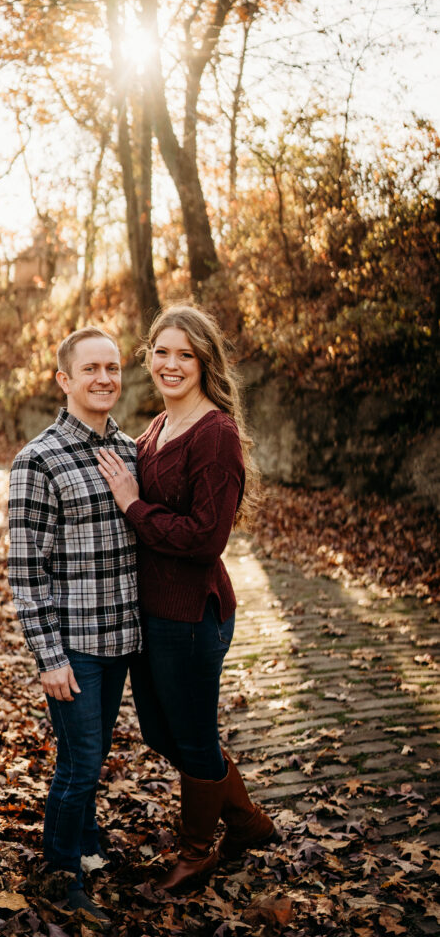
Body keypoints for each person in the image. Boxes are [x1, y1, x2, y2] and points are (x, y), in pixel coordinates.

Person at [97, 304, 276, 894]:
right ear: (149, 356)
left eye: (185, 355)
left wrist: (132, 505)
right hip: (151, 611)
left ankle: (198, 851)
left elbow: (205, 538)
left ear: (204, 363)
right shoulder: (155, 427)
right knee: (159, 731)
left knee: (194, 736)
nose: (171, 364)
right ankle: (245, 819)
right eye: (162, 352)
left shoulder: (216, 434)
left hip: (192, 615)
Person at [8, 326, 140, 921]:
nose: (105, 378)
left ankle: (85, 845)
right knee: (80, 764)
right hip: (75, 645)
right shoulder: (37, 460)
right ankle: (61, 875)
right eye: (91, 369)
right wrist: (49, 657)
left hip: (121, 640)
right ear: (65, 379)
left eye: (112, 367)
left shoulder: (133, 449)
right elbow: (26, 569)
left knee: (94, 753)